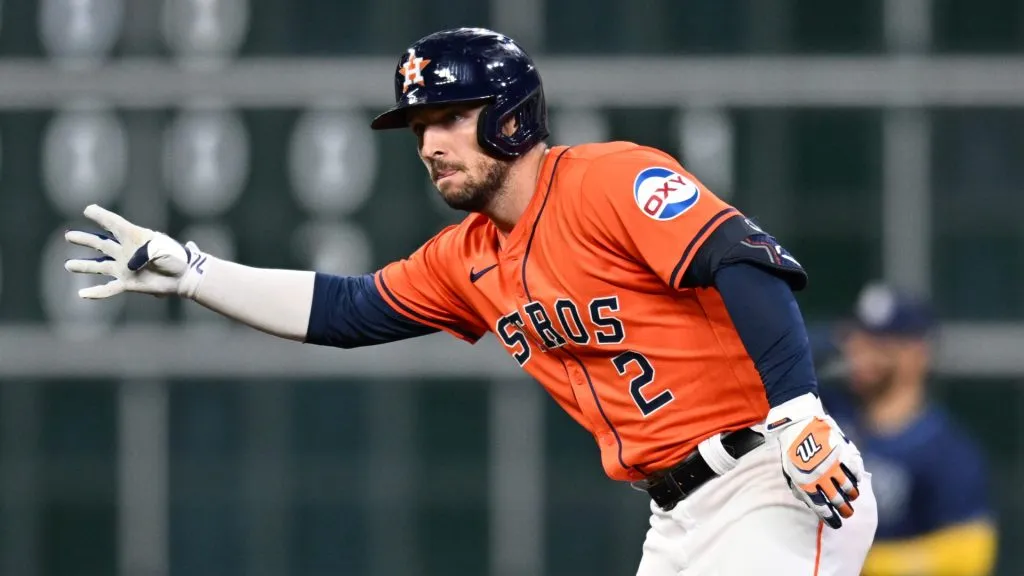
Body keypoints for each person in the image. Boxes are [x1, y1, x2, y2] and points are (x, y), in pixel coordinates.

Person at [64, 27, 876, 575]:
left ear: (514, 118)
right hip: (677, 516)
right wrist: (198, 272)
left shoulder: (609, 179)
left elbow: (745, 263)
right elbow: (346, 312)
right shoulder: (468, 258)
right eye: (419, 126)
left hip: (772, 474)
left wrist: (799, 411)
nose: (430, 143)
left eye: (450, 117)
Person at [821, 283, 997, 576]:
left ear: (918, 353)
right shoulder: (830, 415)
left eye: (881, 344)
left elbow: (971, 555)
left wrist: (865, 563)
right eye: (856, 340)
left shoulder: (945, 449)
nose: (860, 352)